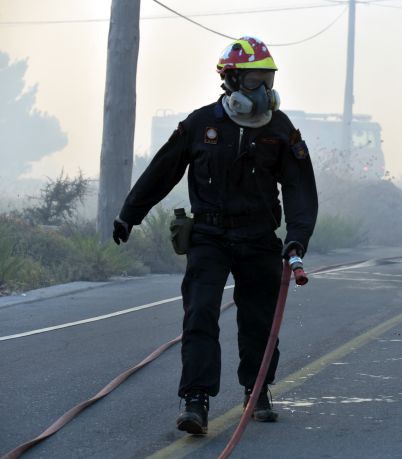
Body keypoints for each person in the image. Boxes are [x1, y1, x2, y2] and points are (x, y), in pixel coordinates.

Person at [112, 36, 318, 434]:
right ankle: (196, 401)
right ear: (232, 80)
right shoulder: (200, 123)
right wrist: (129, 214)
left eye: (267, 79)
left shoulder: (280, 128)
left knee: (259, 320)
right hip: (209, 236)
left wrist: (297, 238)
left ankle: (256, 391)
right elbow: (163, 169)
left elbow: (299, 187)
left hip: (259, 237)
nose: (264, 88)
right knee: (200, 314)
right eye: (255, 79)